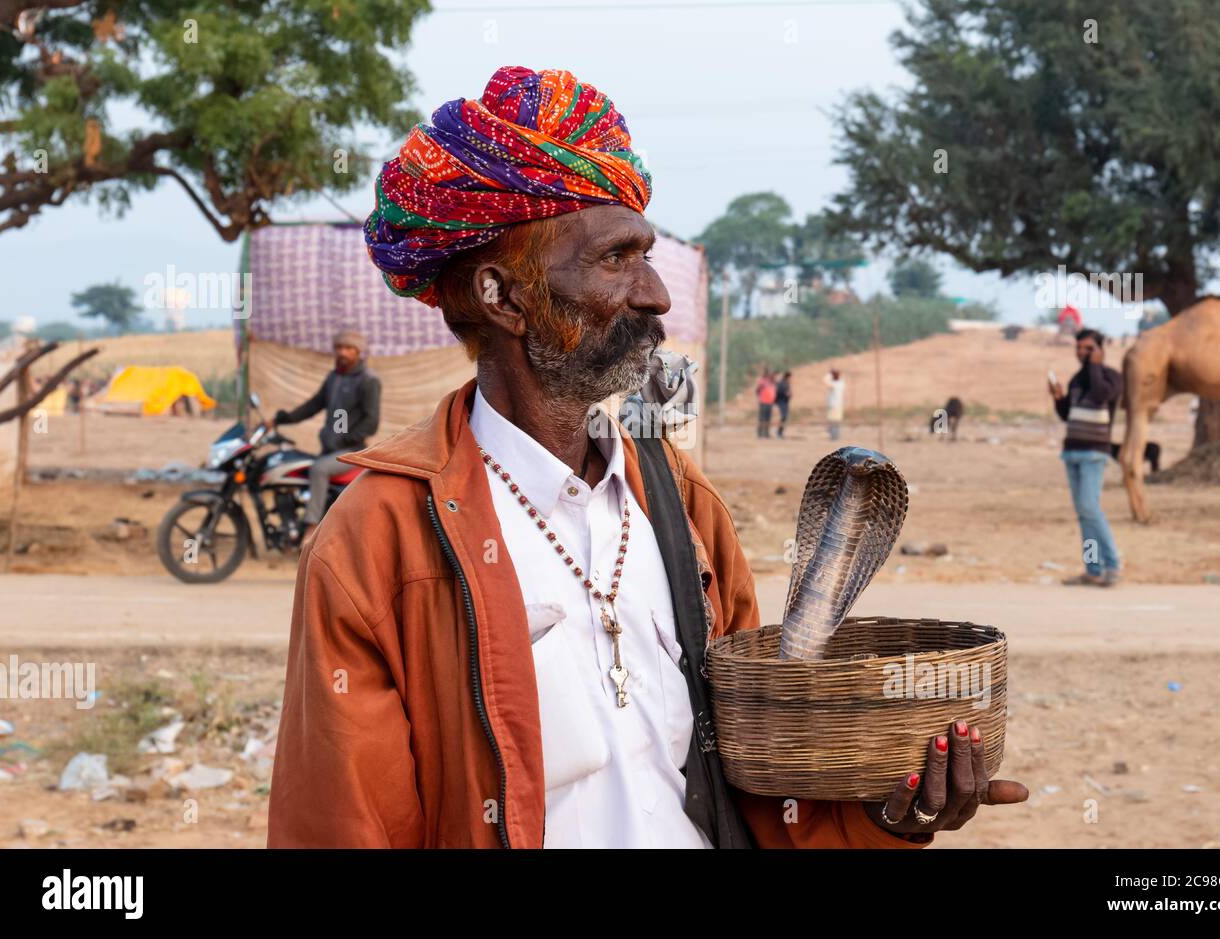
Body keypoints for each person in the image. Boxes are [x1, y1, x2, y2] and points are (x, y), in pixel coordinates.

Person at [269, 65, 1026, 849]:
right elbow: (342, 824)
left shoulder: (682, 505)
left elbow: (764, 793)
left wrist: (883, 813)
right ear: (504, 297)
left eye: (648, 255)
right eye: (614, 260)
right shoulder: (375, 541)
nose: (657, 294)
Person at [266, 328, 381, 544]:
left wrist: (345, 438)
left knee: (318, 469)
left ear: (358, 352)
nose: (343, 352)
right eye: (339, 347)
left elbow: (371, 422)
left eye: (348, 348)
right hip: (330, 449)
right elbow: (313, 405)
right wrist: (281, 419)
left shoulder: (368, 381)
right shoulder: (334, 377)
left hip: (351, 451)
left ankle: (311, 528)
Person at [1050, 327, 1123, 586]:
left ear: (1101, 350)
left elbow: (1101, 394)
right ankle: (1093, 569)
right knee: (1084, 512)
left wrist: (1095, 366)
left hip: (1094, 452)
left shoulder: (1111, 377)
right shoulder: (1076, 380)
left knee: (1090, 508)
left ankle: (1112, 564)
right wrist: (1058, 399)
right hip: (1072, 451)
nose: (1082, 353)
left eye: (1089, 348)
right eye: (1079, 348)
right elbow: (1068, 414)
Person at [754, 367, 776, 438]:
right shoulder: (762, 381)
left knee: (768, 419)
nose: (771, 374)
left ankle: (766, 433)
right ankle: (760, 433)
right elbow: (757, 390)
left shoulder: (772, 382)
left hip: (770, 402)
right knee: (762, 418)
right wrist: (760, 398)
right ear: (766, 373)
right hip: (763, 402)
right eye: (770, 373)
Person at [824, 368, 845, 440]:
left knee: (833, 422)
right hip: (839, 405)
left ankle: (834, 436)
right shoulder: (841, 384)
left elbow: (825, 381)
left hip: (833, 405)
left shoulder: (834, 385)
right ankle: (835, 436)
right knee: (836, 422)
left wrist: (829, 374)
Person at [774, 370, 792, 438]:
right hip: (781, 402)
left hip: (785, 402)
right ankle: (779, 432)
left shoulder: (787, 383)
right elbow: (778, 392)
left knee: (784, 417)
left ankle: (780, 432)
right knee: (783, 416)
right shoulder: (781, 383)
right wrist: (785, 393)